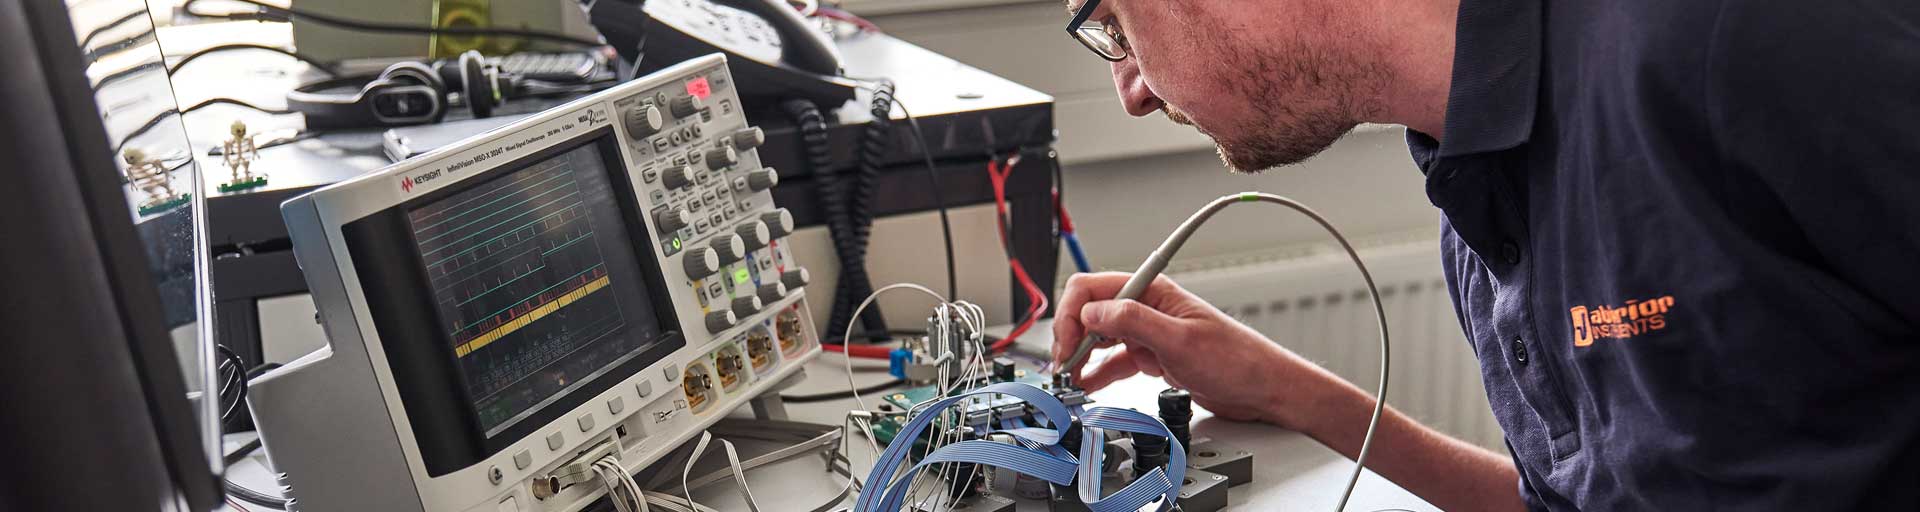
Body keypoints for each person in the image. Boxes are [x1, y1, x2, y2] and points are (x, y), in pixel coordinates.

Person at [1048, 0, 1920, 509]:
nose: (1128, 90)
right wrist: (1287, 391)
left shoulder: (1742, 37)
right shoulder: (1473, 175)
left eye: (1116, 24)